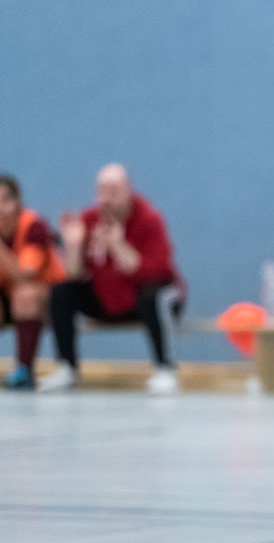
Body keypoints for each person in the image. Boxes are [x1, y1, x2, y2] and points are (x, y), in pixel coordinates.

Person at [43, 164, 186, 395]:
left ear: (129, 190)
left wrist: (117, 245)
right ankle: (66, 367)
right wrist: (73, 245)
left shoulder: (150, 219)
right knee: (61, 292)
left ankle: (165, 368)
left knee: (155, 297)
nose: (106, 199)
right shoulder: (89, 220)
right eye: (101, 191)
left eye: (114, 191)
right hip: (108, 297)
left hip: (146, 296)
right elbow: (73, 274)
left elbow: (155, 273)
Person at [0, 174, 64, 390]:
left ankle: (24, 369)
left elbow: (25, 274)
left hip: (46, 299)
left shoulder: (34, 226)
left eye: (5, 201)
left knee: (25, 294)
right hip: (7, 296)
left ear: (17, 203)